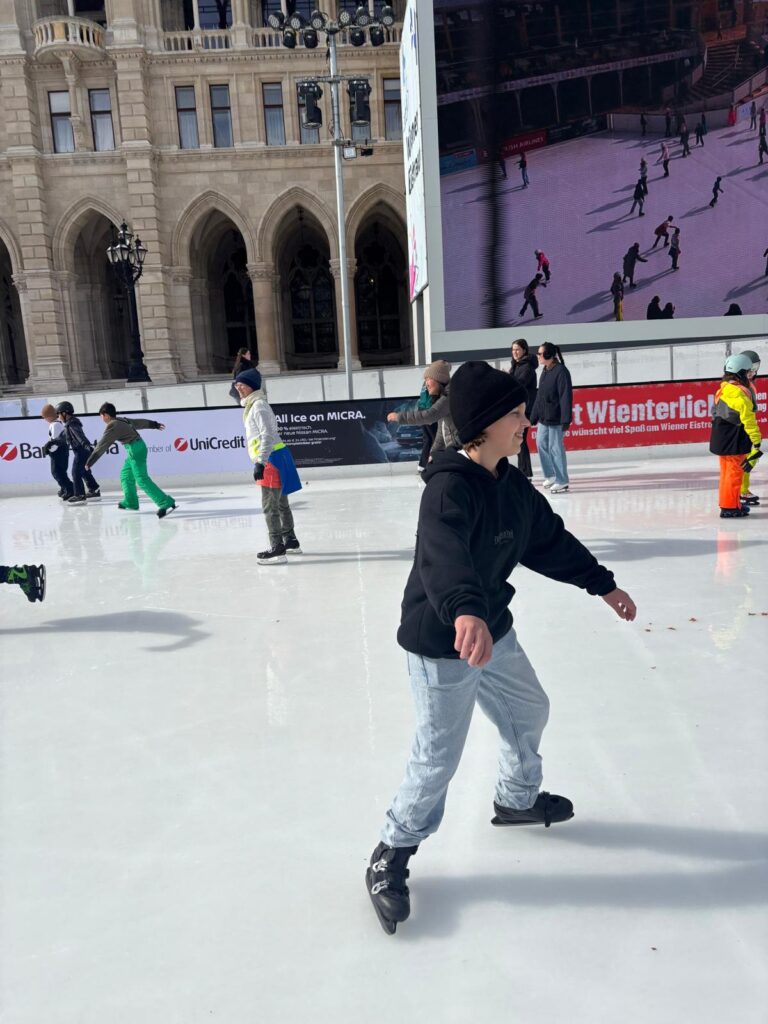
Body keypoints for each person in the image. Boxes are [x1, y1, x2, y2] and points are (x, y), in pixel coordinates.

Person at [364, 361, 637, 935]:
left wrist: (602, 584)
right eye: (515, 414)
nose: (526, 422)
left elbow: (550, 540)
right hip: (444, 641)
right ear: (483, 426)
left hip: (493, 628)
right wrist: (465, 609)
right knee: (438, 756)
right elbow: (443, 556)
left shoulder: (511, 485)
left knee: (529, 709)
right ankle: (391, 851)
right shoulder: (447, 489)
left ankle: (516, 799)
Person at [234, 368, 302, 564]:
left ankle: (277, 547)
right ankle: (290, 541)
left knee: (270, 507)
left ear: (252, 386)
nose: (238, 388)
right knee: (281, 504)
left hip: (271, 459)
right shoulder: (254, 404)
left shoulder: (258, 406)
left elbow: (267, 434)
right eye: (236, 385)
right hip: (275, 457)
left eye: (242, 385)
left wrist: (261, 462)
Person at [84, 403, 177, 518]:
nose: (101, 418)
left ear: (106, 415)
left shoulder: (112, 425)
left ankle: (165, 501)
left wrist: (90, 462)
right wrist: (154, 424)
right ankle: (131, 501)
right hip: (136, 447)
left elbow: (102, 445)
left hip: (135, 449)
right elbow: (139, 423)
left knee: (141, 479)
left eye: (101, 415)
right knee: (126, 475)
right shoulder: (121, 420)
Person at [709, 354, 762, 518]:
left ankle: (728, 504)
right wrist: (756, 441)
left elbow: (714, 412)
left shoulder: (723, 389)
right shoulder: (740, 393)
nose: (750, 375)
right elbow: (748, 420)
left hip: (721, 437)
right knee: (734, 474)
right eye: (748, 372)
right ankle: (730, 508)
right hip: (734, 439)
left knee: (726, 474)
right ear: (741, 373)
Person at [387, 361, 460, 465]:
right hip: (455, 450)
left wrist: (399, 417)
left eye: (428, 379)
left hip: (463, 450)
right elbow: (441, 432)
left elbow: (429, 415)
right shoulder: (441, 398)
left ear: (439, 380)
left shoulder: (449, 397)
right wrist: (433, 453)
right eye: (425, 380)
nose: (426, 384)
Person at [531, 342, 572, 493]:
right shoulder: (545, 370)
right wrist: (533, 416)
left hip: (556, 418)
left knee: (555, 449)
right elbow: (540, 396)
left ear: (548, 355)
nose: (538, 356)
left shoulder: (561, 372)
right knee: (541, 443)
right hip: (544, 417)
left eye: (540, 353)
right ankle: (550, 475)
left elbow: (565, 396)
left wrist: (565, 419)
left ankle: (562, 480)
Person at [55, 401, 99, 504]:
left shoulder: (72, 424)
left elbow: (80, 436)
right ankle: (94, 489)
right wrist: (52, 442)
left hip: (81, 450)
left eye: (58, 414)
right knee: (84, 471)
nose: (58, 417)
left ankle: (79, 494)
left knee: (75, 472)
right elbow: (62, 437)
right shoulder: (68, 424)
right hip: (80, 450)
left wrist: (86, 445)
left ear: (65, 413)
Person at [509, 338, 537, 479]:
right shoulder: (516, 365)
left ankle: (525, 472)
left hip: (525, 409)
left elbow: (519, 384)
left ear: (524, 350)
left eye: (517, 349)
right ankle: (524, 470)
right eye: (513, 350)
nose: (514, 352)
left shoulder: (527, 367)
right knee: (519, 439)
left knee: (521, 439)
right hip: (519, 408)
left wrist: (506, 379)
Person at [738, 350, 762, 505]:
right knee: (745, 461)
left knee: (748, 460)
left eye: (755, 368)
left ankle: (742, 490)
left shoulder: (749, 385)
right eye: (750, 369)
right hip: (741, 429)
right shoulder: (741, 386)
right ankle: (742, 491)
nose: (753, 372)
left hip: (746, 429)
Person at [40, 403, 72, 500]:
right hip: (61, 451)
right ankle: (65, 488)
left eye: (45, 417)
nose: (44, 419)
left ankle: (70, 489)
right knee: (61, 472)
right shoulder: (57, 423)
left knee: (57, 473)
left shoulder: (55, 425)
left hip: (58, 452)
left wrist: (49, 450)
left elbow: (55, 441)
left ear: (49, 416)